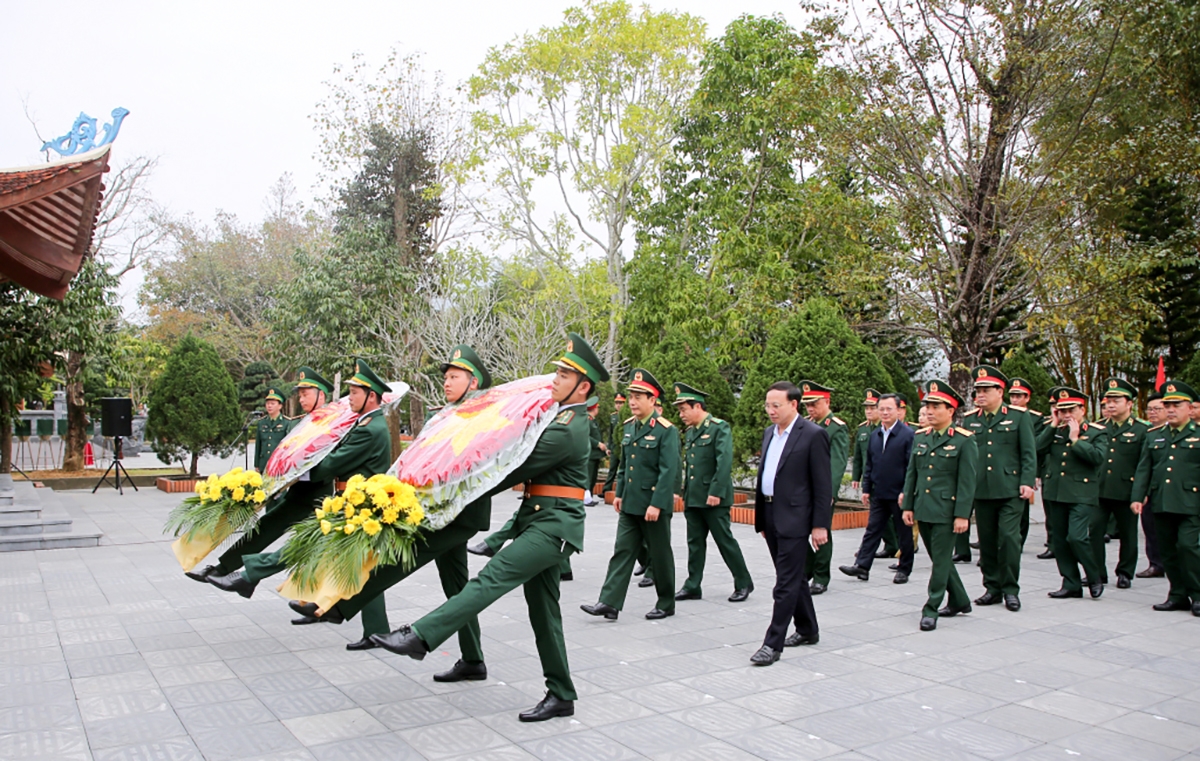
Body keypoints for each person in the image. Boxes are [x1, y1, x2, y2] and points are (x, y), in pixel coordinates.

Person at [371, 333, 607, 723]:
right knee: (544, 612)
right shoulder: (557, 416)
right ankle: (561, 693)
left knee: (491, 578)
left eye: (564, 375)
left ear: (583, 387)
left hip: (554, 528)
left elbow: (510, 466)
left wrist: (448, 479)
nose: (555, 379)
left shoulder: (569, 426)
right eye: (558, 371)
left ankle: (421, 636)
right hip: (538, 520)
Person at [293, 346, 496, 676]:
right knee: (457, 589)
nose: (446, 382)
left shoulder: (485, 419)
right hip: (436, 509)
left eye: (454, 377)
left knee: (403, 555)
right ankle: (473, 660)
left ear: (473, 383)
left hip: (461, 513)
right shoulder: (440, 417)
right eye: (445, 377)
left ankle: (341, 604)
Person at [186, 367, 332, 585]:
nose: (301, 398)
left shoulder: (331, 423)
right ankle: (223, 568)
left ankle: (315, 601)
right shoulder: (304, 421)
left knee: (309, 547)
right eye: (299, 394)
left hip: (319, 495)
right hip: (297, 491)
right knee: (264, 529)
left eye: (305, 393)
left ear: (321, 394)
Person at [582, 368, 681, 621]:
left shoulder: (665, 430)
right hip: (630, 503)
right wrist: (619, 493)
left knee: (659, 555)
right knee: (622, 551)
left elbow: (669, 470)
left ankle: (666, 602)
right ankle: (609, 602)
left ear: (652, 400)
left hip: (652, 505)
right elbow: (626, 465)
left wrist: (657, 504)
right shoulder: (629, 427)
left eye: (639, 397)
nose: (633, 402)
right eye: (631, 396)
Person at [749, 381, 831, 665]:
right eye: (768, 405)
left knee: (784, 583)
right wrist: (761, 517)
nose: (770, 411)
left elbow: (823, 485)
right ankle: (808, 628)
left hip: (796, 518)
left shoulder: (812, 435)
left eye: (776, 405)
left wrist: (820, 525)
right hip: (770, 514)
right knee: (793, 577)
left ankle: (773, 644)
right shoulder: (769, 433)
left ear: (793, 405)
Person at [902, 380, 977, 631]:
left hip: (947, 511)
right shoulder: (921, 437)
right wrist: (909, 506)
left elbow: (967, 482)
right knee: (940, 559)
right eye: (928, 406)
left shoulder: (964, 441)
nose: (930, 411)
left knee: (941, 560)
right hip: (924, 507)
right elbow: (913, 474)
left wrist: (962, 515)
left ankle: (931, 607)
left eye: (936, 406)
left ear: (951, 410)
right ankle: (960, 600)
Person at [961, 365, 1036, 612]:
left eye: (985, 390)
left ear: (1000, 391)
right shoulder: (971, 419)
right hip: (982, 490)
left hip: (1010, 489)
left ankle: (1011, 589)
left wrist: (1027, 481)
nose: (979, 395)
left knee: (1009, 539)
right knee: (988, 541)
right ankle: (992, 587)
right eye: (977, 390)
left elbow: (1028, 452)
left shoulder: (1018, 416)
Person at [672, 383, 753, 603]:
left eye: (684, 409)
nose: (681, 415)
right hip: (694, 498)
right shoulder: (691, 433)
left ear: (697, 406)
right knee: (695, 544)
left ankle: (743, 582)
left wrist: (716, 491)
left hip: (713, 498)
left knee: (724, 541)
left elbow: (723, 461)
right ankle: (692, 585)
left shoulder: (719, 428)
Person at [1132, 380, 1200, 616]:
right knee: (1168, 551)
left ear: (1190, 408)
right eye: (1167, 405)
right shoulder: (1154, 436)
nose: (1171, 409)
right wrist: (1137, 497)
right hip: (1161, 502)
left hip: (1191, 504)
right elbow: (1144, 469)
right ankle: (1178, 594)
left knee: (1189, 547)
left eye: (1176, 405)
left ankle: (1198, 594)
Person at [1038, 387, 1108, 600]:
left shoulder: (1097, 431)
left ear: (1082, 409)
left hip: (1081, 493)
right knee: (1059, 541)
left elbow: (1097, 458)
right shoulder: (1054, 430)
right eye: (1062, 411)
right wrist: (1052, 425)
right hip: (1056, 492)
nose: (1067, 415)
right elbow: (1037, 449)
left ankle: (1094, 576)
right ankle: (1071, 583)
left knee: (1076, 537)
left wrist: (1076, 440)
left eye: (1071, 410)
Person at [841, 393, 915, 583]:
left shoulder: (908, 435)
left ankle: (904, 568)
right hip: (879, 491)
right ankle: (862, 566)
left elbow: (911, 467)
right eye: (880, 409)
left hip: (899, 494)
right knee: (873, 529)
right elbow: (870, 464)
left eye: (888, 409)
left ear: (898, 410)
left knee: (903, 532)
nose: (884, 412)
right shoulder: (875, 434)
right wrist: (866, 488)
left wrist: (906, 491)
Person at [1095, 378, 1148, 589]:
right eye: (1109, 400)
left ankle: (1125, 572)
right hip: (1099, 489)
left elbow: (1143, 464)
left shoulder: (1142, 430)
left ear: (1129, 404)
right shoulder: (1098, 427)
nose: (1111, 404)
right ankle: (1097, 572)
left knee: (1128, 534)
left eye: (1116, 400)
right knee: (1094, 530)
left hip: (1126, 489)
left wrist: (1140, 493)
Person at [799, 381, 847, 595]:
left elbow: (836, 464)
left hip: (821, 491)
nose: (810, 409)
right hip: (802, 489)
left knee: (821, 532)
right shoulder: (805, 424)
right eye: (807, 405)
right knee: (798, 531)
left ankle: (821, 576)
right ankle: (808, 567)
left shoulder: (837, 427)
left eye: (814, 404)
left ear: (826, 401)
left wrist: (828, 492)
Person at [853, 389, 900, 560]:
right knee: (876, 519)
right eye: (867, 408)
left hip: (892, 482)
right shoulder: (864, 430)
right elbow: (859, 457)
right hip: (872, 479)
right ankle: (869, 557)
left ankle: (896, 547)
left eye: (872, 408)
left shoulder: (899, 431)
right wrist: (856, 478)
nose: (869, 411)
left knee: (891, 519)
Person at [1007, 377, 1044, 552]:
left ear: (1027, 398)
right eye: (1012, 396)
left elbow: (1034, 449)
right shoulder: (1006, 416)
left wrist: (1034, 474)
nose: (1015, 399)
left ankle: (1019, 541)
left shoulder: (1035, 418)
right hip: (1007, 469)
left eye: (1019, 396)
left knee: (1022, 510)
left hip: (1024, 468)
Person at [1136, 393, 1167, 578]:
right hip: (1151, 491)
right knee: (1150, 527)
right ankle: (1155, 563)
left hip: (1174, 492)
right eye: (1150, 409)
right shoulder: (1150, 434)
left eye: (1158, 409)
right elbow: (1143, 466)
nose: (1153, 413)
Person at [254, 386, 291, 473]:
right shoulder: (261, 423)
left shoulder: (287, 423)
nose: (269, 406)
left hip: (279, 464)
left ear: (280, 406)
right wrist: (257, 464)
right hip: (264, 464)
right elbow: (258, 445)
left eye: (272, 403)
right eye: (268, 403)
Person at [585, 397, 605, 505]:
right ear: (594, 408)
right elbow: (586, 436)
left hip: (595, 455)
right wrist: (597, 444)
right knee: (588, 477)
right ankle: (586, 498)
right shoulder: (587, 421)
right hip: (590, 453)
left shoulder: (592, 420)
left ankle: (590, 497)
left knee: (593, 477)